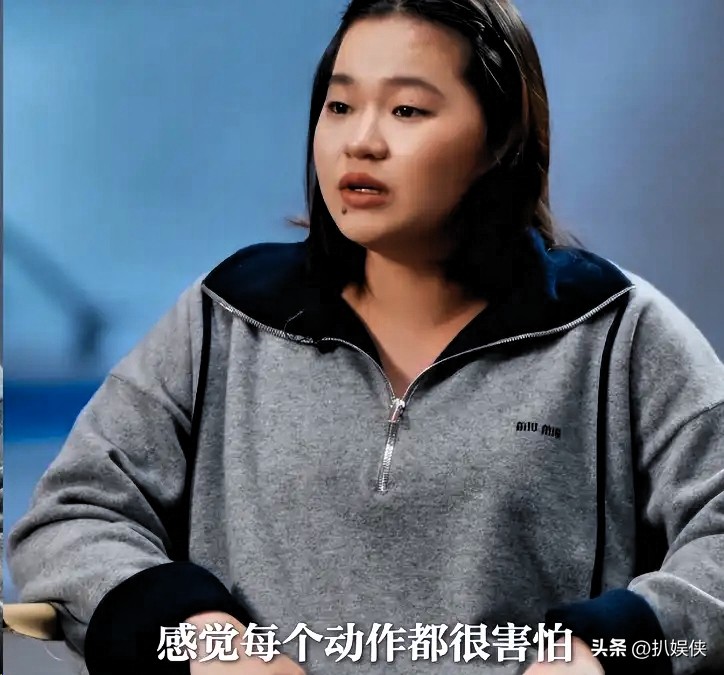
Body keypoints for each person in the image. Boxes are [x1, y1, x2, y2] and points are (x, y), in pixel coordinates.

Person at [8, 0, 724, 673]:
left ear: (499, 139)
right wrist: (202, 635)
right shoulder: (226, 315)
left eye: (407, 109)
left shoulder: (614, 329)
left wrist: (604, 650)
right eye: (340, 106)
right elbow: (72, 515)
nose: (361, 141)